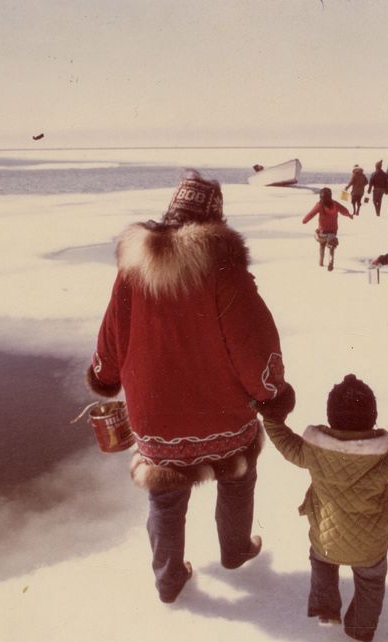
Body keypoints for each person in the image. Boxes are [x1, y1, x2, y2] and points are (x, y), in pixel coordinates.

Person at [87, 170, 293, 604]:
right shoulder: (225, 273)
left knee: (165, 495)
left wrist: (104, 378)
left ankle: (168, 579)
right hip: (221, 411)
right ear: (214, 221)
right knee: (237, 475)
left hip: (155, 413)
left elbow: (111, 337)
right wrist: (271, 393)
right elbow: (254, 345)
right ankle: (235, 550)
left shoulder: (132, 271)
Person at [256, 374, 388, 642]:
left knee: (322, 563)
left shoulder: (314, 449)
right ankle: (362, 628)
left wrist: (271, 419)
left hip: (326, 537)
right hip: (370, 545)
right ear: (372, 418)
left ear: (330, 418)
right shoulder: (386, 454)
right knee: (370, 583)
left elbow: (287, 445)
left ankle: (326, 608)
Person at [302, 187, 353, 272]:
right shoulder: (335, 204)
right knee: (331, 244)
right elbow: (344, 210)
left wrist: (304, 221)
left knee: (321, 242)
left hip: (322, 233)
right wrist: (349, 215)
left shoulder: (319, 205)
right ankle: (331, 258)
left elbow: (311, 214)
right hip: (332, 232)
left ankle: (321, 263)